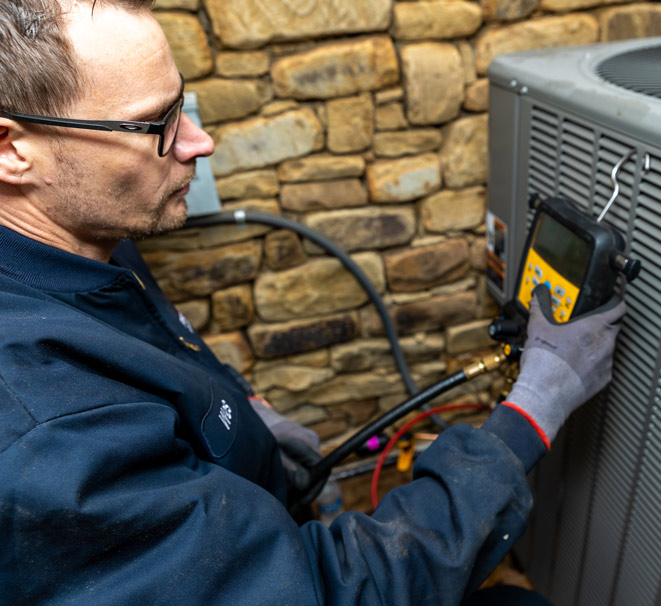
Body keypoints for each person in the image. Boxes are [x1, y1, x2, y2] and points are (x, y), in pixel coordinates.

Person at [0, 1, 626, 604]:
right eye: (157, 124)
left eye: (181, 103)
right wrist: (536, 408)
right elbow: (329, 592)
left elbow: (154, 347)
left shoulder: (81, 233)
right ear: (11, 150)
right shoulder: (41, 442)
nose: (200, 141)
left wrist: (243, 418)